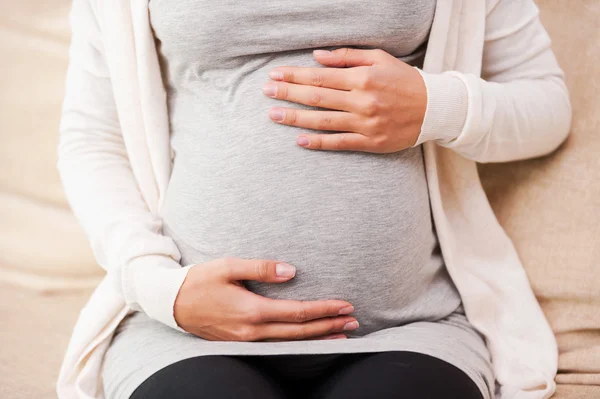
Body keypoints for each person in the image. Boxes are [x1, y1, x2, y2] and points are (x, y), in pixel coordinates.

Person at [55, 0, 572, 398]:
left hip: (411, 329)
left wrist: (437, 106)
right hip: (188, 336)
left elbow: (545, 106)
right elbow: (92, 139)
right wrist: (157, 286)